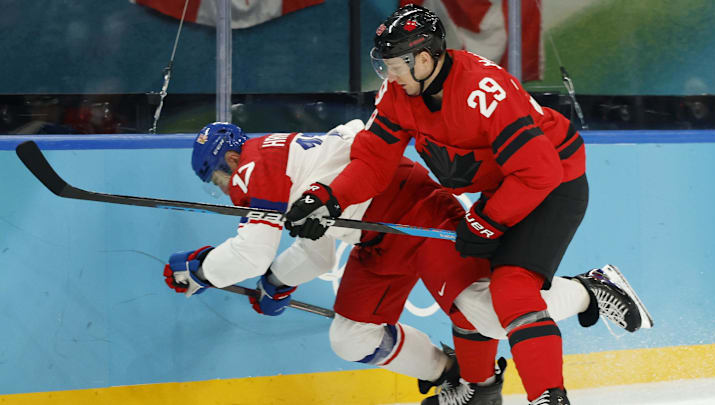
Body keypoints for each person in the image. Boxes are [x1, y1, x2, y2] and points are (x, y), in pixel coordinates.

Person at [283, 5, 653, 405]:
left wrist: (487, 222)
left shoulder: (482, 89)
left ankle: (560, 364)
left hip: (553, 182)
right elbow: (373, 162)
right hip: (507, 186)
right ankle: (479, 387)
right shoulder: (398, 94)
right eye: (385, 65)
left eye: (395, 65)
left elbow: (538, 173)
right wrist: (326, 197)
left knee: (512, 290)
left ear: (424, 58)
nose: (389, 75)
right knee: (469, 296)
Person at [164, 120, 652, 405]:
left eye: (216, 181)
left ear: (225, 164)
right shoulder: (278, 154)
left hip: (418, 215)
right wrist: (277, 281)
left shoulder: (252, 165)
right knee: (349, 336)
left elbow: (250, 249)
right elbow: (311, 247)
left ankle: (590, 287)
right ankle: (450, 374)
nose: (223, 191)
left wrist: (200, 269)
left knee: (486, 312)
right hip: (377, 238)